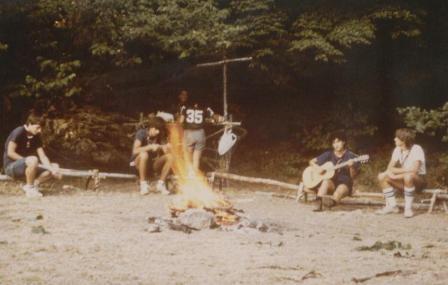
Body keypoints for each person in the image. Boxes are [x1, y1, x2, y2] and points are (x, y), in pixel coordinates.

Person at [3, 113, 61, 197]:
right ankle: (30, 189)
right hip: (11, 166)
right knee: (33, 159)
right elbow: (10, 153)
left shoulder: (36, 136)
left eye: (41, 128)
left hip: (28, 166)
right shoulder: (19, 131)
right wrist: (27, 160)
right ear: (30, 124)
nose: (40, 130)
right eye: (37, 127)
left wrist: (52, 169)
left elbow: (43, 156)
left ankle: (32, 186)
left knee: (54, 166)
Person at [304, 131, 360, 211]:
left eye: (338, 142)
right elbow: (311, 162)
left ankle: (330, 203)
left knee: (340, 190)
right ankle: (319, 203)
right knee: (326, 181)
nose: (336, 145)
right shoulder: (329, 154)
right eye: (333, 143)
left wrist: (351, 167)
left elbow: (353, 176)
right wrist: (317, 168)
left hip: (345, 184)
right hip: (332, 183)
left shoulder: (350, 156)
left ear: (343, 142)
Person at [377, 128, 426, 218]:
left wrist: (396, 176)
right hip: (404, 179)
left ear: (403, 140)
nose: (394, 139)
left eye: (397, 137)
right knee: (382, 176)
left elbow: (414, 170)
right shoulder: (397, 149)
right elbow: (390, 168)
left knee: (408, 176)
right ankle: (392, 206)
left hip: (419, 181)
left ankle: (408, 209)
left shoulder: (416, 149)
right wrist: (391, 173)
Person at [179, 91, 223, 172]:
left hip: (189, 133)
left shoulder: (184, 106)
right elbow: (216, 117)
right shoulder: (205, 107)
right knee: (196, 159)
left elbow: (181, 121)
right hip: (200, 133)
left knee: (188, 158)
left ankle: (188, 176)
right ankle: (194, 177)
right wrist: (220, 118)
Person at [131, 116, 173, 195]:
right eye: (156, 130)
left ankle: (161, 184)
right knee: (144, 154)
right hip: (137, 163)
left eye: (159, 130)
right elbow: (135, 150)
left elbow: (164, 150)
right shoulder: (141, 133)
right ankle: (143, 184)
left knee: (170, 157)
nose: (158, 132)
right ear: (152, 128)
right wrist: (149, 147)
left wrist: (166, 147)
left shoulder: (159, 135)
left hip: (152, 164)